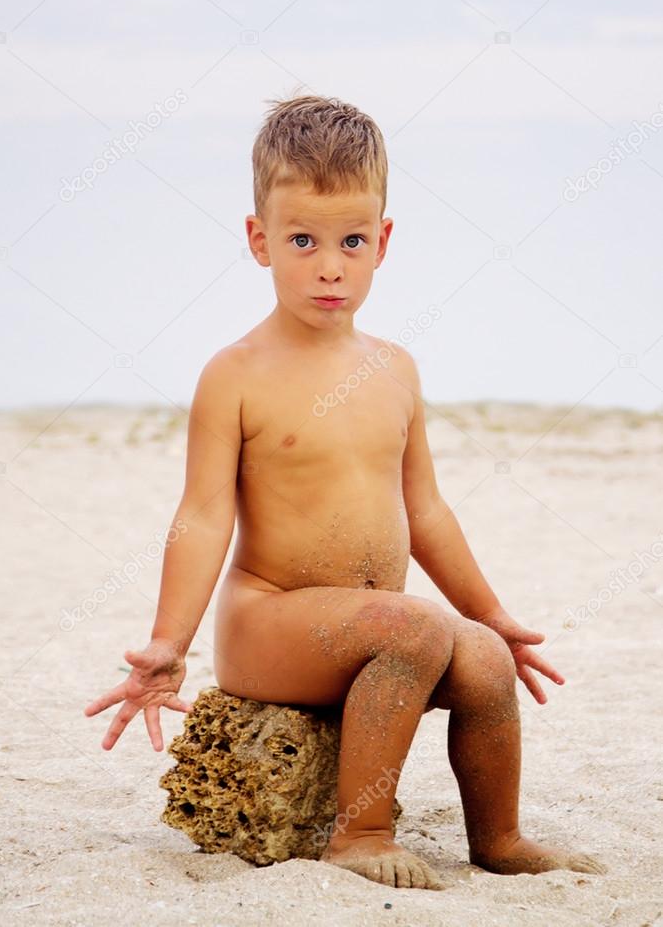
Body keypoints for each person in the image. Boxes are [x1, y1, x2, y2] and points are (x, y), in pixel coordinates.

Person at [84, 94, 605, 890]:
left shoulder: (394, 369)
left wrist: (493, 613)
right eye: (303, 240)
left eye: (352, 240)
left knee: (484, 659)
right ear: (259, 241)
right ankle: (360, 831)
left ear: (382, 243)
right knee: (414, 629)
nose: (330, 264)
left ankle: (498, 837)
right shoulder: (236, 373)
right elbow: (203, 514)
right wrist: (166, 644)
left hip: (377, 631)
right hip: (272, 624)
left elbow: (426, 509)